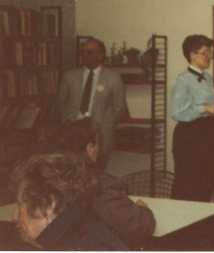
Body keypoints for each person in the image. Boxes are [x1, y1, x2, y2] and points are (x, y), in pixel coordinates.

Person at [55, 117, 156, 248]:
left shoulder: (49, 175)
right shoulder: (103, 184)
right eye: (98, 144)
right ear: (90, 148)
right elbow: (137, 229)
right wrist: (144, 211)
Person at [10, 153, 128, 250]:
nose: (14, 217)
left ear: (48, 205)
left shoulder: (76, 244)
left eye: (21, 204)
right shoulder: (82, 230)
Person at [170, 34, 214, 201]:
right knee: (189, 185)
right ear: (192, 55)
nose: (209, 57)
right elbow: (176, 111)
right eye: (205, 52)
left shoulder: (207, 77)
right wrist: (204, 108)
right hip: (190, 137)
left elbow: (201, 104)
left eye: (210, 53)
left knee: (206, 182)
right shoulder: (183, 79)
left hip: (207, 134)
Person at [59, 38, 126, 170]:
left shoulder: (112, 78)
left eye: (90, 52)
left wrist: (104, 124)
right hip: (73, 134)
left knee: (97, 175)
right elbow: (61, 104)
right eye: (83, 52)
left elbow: (119, 109)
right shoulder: (70, 76)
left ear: (101, 55)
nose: (85, 56)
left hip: (99, 135)